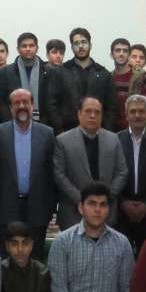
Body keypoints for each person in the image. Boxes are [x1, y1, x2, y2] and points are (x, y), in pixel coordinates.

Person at [0, 87, 58, 255]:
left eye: (25, 102)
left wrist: (50, 210)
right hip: (6, 210)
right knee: (5, 260)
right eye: (17, 103)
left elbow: (51, 175)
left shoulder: (47, 134)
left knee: (34, 259)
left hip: (37, 210)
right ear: (10, 108)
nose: (21, 106)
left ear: (32, 105)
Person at [54, 96, 127, 229]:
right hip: (73, 213)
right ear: (79, 114)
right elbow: (59, 175)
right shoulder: (62, 141)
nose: (93, 116)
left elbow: (122, 171)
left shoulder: (114, 139)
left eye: (97, 112)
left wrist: (105, 197)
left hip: (106, 213)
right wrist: (83, 200)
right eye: (88, 111)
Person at [116, 94, 146, 250]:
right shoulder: (115, 141)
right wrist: (123, 202)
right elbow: (110, 175)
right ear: (126, 115)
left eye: (141, 111)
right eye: (133, 111)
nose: (137, 115)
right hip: (121, 212)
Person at [0, 32, 68, 126]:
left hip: (45, 124)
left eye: (31, 45)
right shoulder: (6, 72)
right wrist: (8, 123)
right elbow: (2, 103)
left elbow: (54, 102)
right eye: (24, 46)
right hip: (14, 123)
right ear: (18, 49)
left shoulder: (49, 72)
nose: (28, 49)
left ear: (37, 48)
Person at [61, 28, 116, 132]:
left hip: (97, 131)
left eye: (84, 42)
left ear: (90, 45)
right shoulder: (62, 71)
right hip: (68, 130)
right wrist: (59, 130)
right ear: (72, 48)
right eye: (76, 43)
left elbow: (111, 107)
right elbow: (53, 103)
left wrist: (106, 131)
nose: (80, 46)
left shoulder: (103, 73)